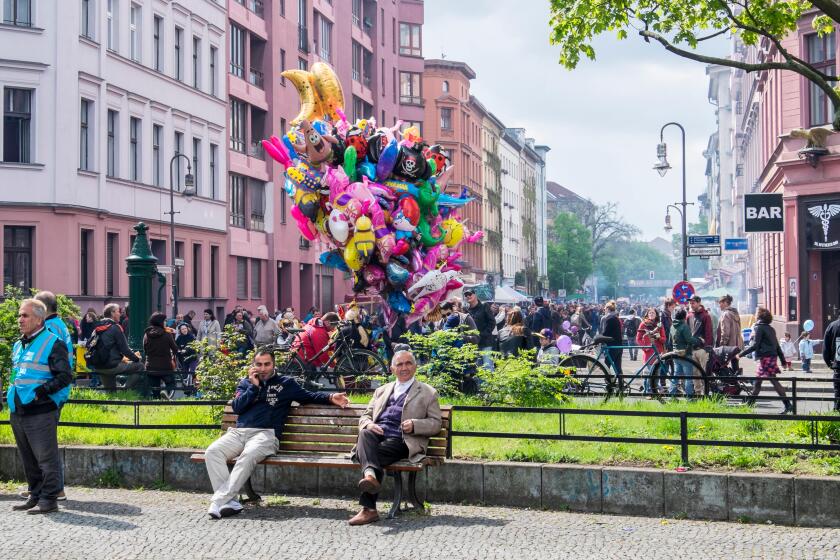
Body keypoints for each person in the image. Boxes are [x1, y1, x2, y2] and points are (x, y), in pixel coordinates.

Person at [204, 350, 349, 519]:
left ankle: (219, 500)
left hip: (266, 435)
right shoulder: (246, 384)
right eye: (259, 364)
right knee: (212, 452)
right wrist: (253, 387)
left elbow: (308, 396)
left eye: (267, 364)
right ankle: (231, 502)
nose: (263, 368)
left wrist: (331, 397)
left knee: (248, 455)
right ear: (253, 366)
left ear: (274, 365)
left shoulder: (286, 384)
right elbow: (237, 407)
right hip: (239, 433)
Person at [349, 349, 442, 526]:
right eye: (399, 364)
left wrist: (415, 425)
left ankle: (368, 508)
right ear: (392, 369)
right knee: (365, 433)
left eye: (408, 363)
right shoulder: (382, 390)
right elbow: (365, 416)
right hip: (377, 437)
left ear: (415, 366)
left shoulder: (428, 392)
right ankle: (370, 478)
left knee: (369, 455)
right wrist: (369, 424)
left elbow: (435, 423)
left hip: (403, 440)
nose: (404, 367)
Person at [8, 299, 72, 514]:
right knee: (28, 459)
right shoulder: (19, 344)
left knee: (46, 458)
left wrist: (40, 393)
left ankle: (49, 500)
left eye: (24, 316)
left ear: (38, 319)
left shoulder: (53, 342)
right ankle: (35, 495)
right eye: (19, 315)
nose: (20, 320)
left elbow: (64, 376)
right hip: (19, 409)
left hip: (40, 410)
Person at [738, 307, 792, 414]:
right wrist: (783, 361)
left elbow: (755, 345)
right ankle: (750, 404)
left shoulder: (759, 328)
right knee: (758, 383)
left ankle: (788, 405)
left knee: (774, 381)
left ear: (759, 316)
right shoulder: (770, 328)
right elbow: (777, 346)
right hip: (769, 357)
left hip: (765, 358)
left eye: (756, 313)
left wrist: (740, 354)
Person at [90, 303, 145, 391]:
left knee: (111, 393)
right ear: (112, 313)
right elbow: (125, 350)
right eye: (118, 311)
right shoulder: (115, 327)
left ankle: (115, 400)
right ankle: (125, 390)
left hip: (99, 366)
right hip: (112, 366)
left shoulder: (97, 327)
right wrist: (137, 359)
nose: (120, 314)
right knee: (140, 366)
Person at [143, 312, 179, 399]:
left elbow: (145, 350)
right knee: (171, 384)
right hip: (165, 366)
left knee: (155, 390)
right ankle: (166, 393)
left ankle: (157, 402)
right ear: (161, 322)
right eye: (165, 321)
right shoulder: (167, 335)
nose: (165, 322)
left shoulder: (147, 334)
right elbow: (175, 349)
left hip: (151, 366)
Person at [669, 307, 702, 398]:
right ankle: (689, 398)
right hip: (685, 354)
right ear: (684, 317)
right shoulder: (684, 326)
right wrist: (699, 341)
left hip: (675, 354)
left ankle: (671, 395)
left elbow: (669, 341)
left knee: (676, 376)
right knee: (688, 377)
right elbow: (689, 339)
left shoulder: (672, 326)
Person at [464, 289, 496, 370]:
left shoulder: (484, 306)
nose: (468, 296)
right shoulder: (466, 310)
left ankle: (489, 383)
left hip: (485, 342)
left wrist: (483, 334)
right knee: (477, 368)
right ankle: (480, 383)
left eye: (470, 294)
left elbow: (492, 322)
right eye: (466, 295)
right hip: (473, 344)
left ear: (475, 295)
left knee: (488, 366)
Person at [636, 307, 666, 396]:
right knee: (648, 373)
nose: (651, 314)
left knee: (656, 373)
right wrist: (645, 347)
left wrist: (658, 337)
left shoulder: (660, 325)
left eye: (653, 313)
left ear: (656, 315)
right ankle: (648, 392)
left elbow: (664, 340)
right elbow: (638, 339)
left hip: (658, 352)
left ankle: (654, 391)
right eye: (650, 313)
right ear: (647, 314)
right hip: (648, 353)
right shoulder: (643, 324)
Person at [688, 296, 714, 396]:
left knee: (704, 373)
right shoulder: (689, 315)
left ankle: (706, 393)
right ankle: (698, 394)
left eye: (693, 302)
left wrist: (707, 348)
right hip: (692, 349)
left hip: (702, 349)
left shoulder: (705, 316)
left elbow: (709, 333)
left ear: (699, 303)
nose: (691, 304)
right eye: (690, 303)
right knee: (695, 374)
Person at [600, 300, 624, 389]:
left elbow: (605, 333)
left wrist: (598, 339)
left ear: (607, 309)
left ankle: (609, 383)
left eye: (604, 308)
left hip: (612, 346)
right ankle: (621, 385)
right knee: (618, 367)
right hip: (619, 346)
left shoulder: (609, 318)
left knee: (606, 365)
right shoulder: (616, 318)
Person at [822, 317, 840, 411]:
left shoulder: (832, 326)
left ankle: (836, 414)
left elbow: (825, 348)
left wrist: (829, 363)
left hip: (838, 366)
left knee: (838, 392)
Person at [176, 323, 198, 393]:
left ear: (187, 329)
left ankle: (195, 388)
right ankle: (186, 389)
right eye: (182, 329)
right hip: (184, 358)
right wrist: (178, 350)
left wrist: (186, 349)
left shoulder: (191, 336)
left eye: (185, 328)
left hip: (192, 357)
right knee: (184, 374)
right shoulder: (179, 338)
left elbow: (194, 347)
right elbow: (176, 346)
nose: (184, 330)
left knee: (193, 372)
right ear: (180, 330)